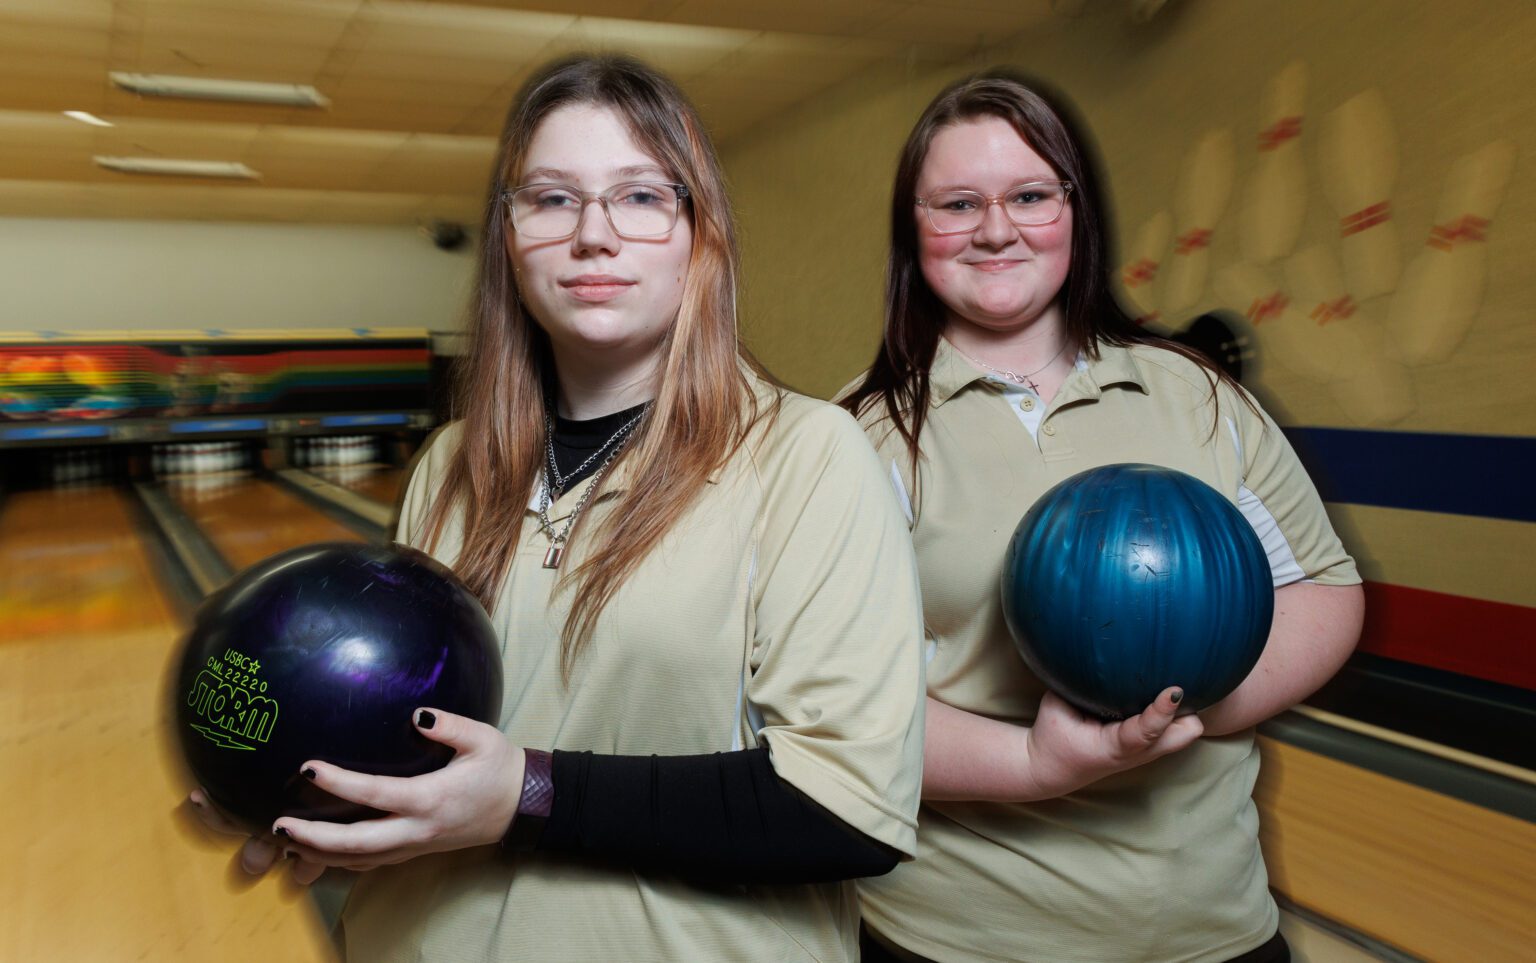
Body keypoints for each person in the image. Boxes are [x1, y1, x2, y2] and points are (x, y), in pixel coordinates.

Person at [188, 54, 925, 962]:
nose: (594, 235)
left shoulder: (806, 458)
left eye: (643, 196)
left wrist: (527, 794)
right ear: (508, 234)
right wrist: (301, 791)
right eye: (551, 198)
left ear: (703, 234)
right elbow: (415, 749)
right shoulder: (448, 466)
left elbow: (850, 813)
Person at [840, 70, 1364, 963]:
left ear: (1074, 212)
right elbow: (837, 709)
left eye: (1031, 194)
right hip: (961, 937)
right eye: (958, 203)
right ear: (912, 230)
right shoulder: (856, 437)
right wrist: (1042, 766)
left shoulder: (1197, 395)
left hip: (1212, 927)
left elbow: (1323, 587)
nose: (998, 228)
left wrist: (1189, 704)